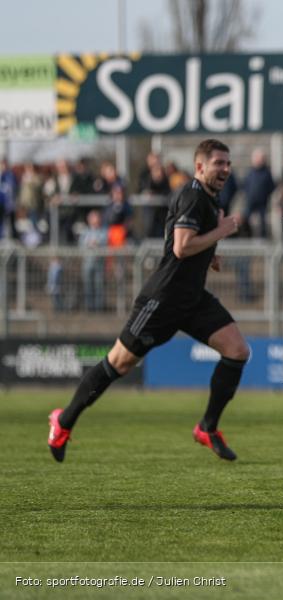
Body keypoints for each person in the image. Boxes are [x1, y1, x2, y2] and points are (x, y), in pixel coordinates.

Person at [47, 139, 248, 463]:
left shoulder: (210, 198)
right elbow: (181, 247)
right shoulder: (192, 195)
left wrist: (211, 254)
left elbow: (185, 242)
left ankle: (207, 428)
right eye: (218, 163)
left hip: (192, 297)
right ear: (200, 166)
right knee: (118, 363)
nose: (225, 169)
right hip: (163, 299)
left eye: (228, 163)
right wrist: (221, 231)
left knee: (237, 350)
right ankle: (64, 421)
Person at [242, 149, 276, 237]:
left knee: (262, 221)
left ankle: (263, 237)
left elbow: (271, 187)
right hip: (250, 201)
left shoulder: (267, 173)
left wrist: (265, 195)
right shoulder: (249, 172)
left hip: (262, 202)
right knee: (246, 218)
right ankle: (246, 236)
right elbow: (245, 185)